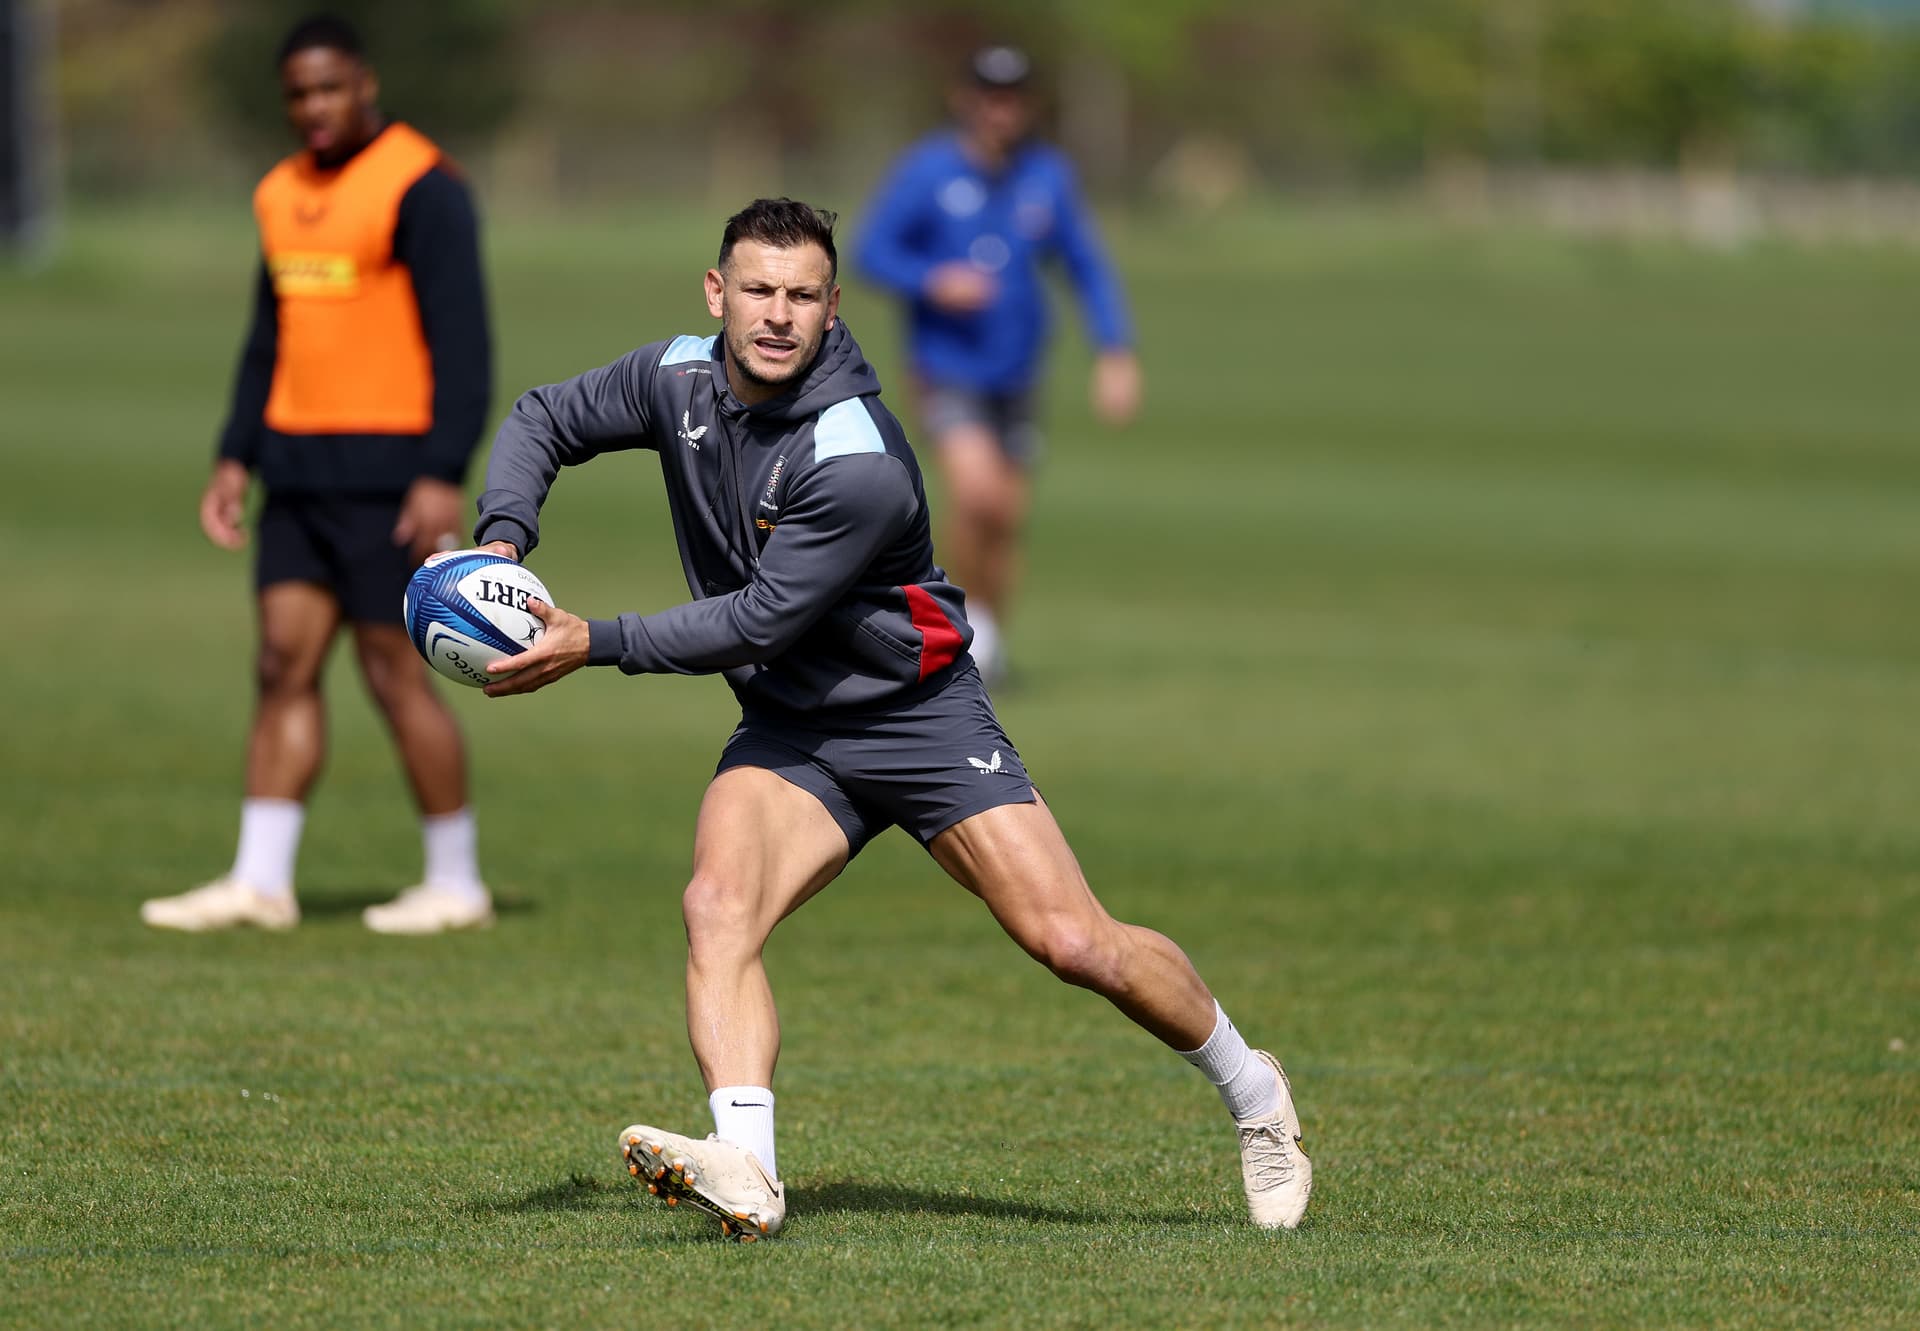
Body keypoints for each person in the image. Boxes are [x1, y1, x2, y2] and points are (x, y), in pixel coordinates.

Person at [469, 198, 1309, 1240]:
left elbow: (759, 617)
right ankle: (750, 1172)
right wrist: (501, 544)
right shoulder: (675, 376)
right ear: (717, 292)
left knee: (1072, 940)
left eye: (803, 295)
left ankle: (1255, 1092)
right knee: (717, 905)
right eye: (759, 290)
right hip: (792, 725)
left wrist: (592, 639)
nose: (778, 314)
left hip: (918, 716)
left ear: (833, 308)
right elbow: (542, 416)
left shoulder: (854, 452)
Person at [141, 14, 495, 935]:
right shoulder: (278, 192)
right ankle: (260, 881)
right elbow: (270, 337)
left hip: (389, 474)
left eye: (330, 87)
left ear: (365, 83)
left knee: (395, 672)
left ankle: (455, 882)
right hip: (296, 471)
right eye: (299, 93)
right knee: (280, 664)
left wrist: (441, 470)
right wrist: (235, 453)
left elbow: (464, 343)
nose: (315, 107)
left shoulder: (422, 185)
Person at [854, 44, 1142, 685]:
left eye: (1012, 98)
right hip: (947, 367)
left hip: (1018, 370)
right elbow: (873, 249)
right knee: (976, 496)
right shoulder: (929, 170)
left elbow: (1086, 266)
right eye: (989, 96)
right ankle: (960, 632)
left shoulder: (1048, 176)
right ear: (965, 99)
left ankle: (987, 639)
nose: (1000, 111)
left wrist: (1115, 350)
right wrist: (934, 280)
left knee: (1007, 517)